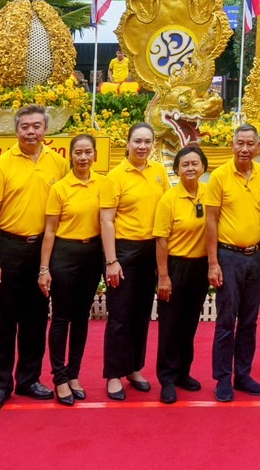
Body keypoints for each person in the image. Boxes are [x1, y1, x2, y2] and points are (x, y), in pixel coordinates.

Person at [0, 105, 66, 412]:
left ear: (46, 129)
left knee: (36, 319)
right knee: (3, 321)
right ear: (16, 130)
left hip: (42, 251)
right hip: (8, 248)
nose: (31, 131)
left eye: (36, 126)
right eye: (25, 126)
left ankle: (28, 379)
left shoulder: (59, 164)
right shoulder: (1, 166)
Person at [99, 123, 168, 400]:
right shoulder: (114, 177)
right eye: (137, 141)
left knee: (141, 314)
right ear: (127, 143)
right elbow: (106, 220)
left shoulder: (159, 172)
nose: (142, 147)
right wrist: (111, 260)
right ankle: (113, 373)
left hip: (151, 249)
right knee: (120, 315)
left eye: (147, 142)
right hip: (124, 252)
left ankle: (134, 368)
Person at [204, 124, 260, 401]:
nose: (245, 149)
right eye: (240, 143)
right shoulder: (219, 177)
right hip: (228, 256)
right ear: (232, 145)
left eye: (250, 145)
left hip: (255, 256)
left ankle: (243, 373)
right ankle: (222, 377)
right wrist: (213, 262)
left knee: (249, 320)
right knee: (225, 319)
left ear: (257, 147)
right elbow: (211, 220)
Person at [39, 134, 104, 406]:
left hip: (93, 254)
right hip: (64, 254)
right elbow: (50, 230)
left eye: (88, 152)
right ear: (71, 155)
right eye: (78, 152)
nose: (83, 157)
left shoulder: (104, 184)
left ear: (95, 156)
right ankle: (59, 376)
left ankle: (74, 373)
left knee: (81, 316)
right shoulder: (60, 188)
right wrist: (44, 267)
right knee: (62, 317)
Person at [153, 146, 210, 405]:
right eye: (184, 164)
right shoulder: (169, 199)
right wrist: (163, 276)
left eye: (194, 163)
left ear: (203, 167)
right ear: (176, 169)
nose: (190, 168)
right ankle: (167, 377)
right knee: (170, 325)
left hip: (199, 267)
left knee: (189, 324)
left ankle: (183, 372)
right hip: (175, 267)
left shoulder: (209, 195)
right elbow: (161, 241)